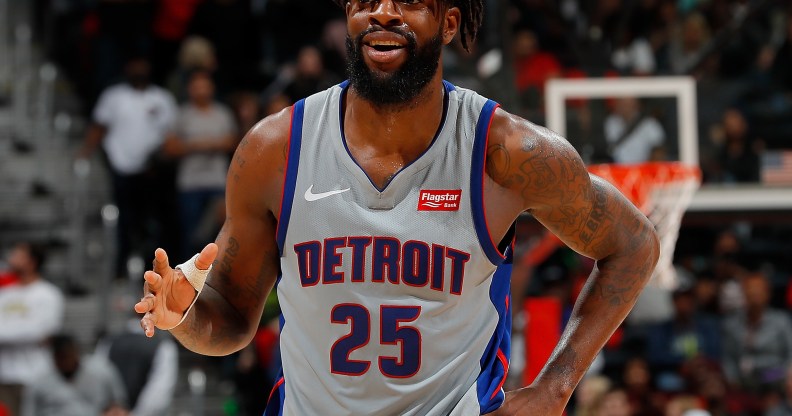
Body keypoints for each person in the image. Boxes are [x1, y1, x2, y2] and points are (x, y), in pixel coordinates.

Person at [134, 1, 660, 415]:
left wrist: (556, 387)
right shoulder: (275, 151)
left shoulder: (506, 153)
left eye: (408, 1)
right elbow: (227, 318)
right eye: (365, 0)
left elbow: (633, 244)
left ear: (449, 22)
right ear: (348, 17)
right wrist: (182, 314)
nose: (382, 11)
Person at [79, 56, 179, 279]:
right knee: (124, 220)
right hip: (121, 168)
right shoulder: (113, 96)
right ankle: (121, 263)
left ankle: (153, 267)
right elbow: (99, 126)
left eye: (142, 65)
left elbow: (171, 135)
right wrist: (84, 154)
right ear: (127, 68)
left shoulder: (162, 98)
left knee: (152, 220)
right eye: (134, 65)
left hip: (152, 171)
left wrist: (161, 159)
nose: (139, 69)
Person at [163, 70, 238, 259]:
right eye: (197, 87)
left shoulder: (222, 113)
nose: (201, 91)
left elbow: (234, 142)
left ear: (212, 88)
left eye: (204, 86)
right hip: (190, 183)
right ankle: (188, 281)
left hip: (217, 183)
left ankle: (216, 281)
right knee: (191, 235)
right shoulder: (182, 115)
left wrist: (202, 144)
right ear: (190, 89)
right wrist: (200, 145)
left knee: (220, 236)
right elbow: (170, 147)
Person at [0, 242, 64, 386]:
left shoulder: (48, 294)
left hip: (35, 375)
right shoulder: (4, 294)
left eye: (18, 256)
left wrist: (6, 331)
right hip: (4, 376)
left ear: (32, 262)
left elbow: (39, 332)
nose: (12, 259)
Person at [23, 334, 128, 416]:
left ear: (76, 352)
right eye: (61, 357)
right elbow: (29, 412)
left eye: (68, 355)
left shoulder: (101, 371)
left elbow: (119, 403)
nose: (66, 362)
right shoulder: (40, 382)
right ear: (54, 357)